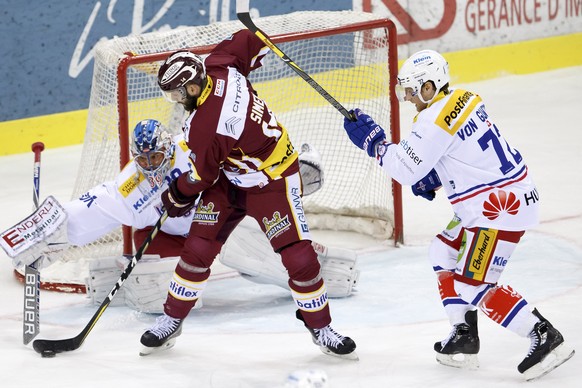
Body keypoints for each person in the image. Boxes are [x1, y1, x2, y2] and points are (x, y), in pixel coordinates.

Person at [342, 49, 574, 379]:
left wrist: (375, 144)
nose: (407, 97)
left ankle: (543, 335)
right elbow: (463, 151)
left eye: (411, 90)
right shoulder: (463, 98)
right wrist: (437, 176)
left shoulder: (432, 120)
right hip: (496, 198)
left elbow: (405, 169)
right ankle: (464, 335)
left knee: (471, 284)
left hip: (497, 209)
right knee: (443, 251)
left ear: (429, 87)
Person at [140, 30, 357, 358]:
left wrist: (176, 196)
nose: (176, 101)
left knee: (299, 257)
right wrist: (256, 34)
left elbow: (201, 177)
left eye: (176, 94)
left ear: (193, 87)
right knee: (198, 248)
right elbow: (247, 39)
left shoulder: (207, 127)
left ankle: (321, 327)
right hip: (231, 177)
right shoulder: (220, 65)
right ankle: (171, 319)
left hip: (271, 181)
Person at [3, 119, 359, 314]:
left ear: (168, 148)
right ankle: (125, 277)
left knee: (254, 254)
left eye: (156, 157)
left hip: (219, 225)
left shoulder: (197, 150)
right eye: (142, 160)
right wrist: (51, 230)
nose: (149, 166)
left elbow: (247, 158)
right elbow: (100, 205)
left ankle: (323, 272)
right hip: (167, 236)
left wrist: (286, 172)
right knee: (158, 297)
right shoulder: (133, 184)